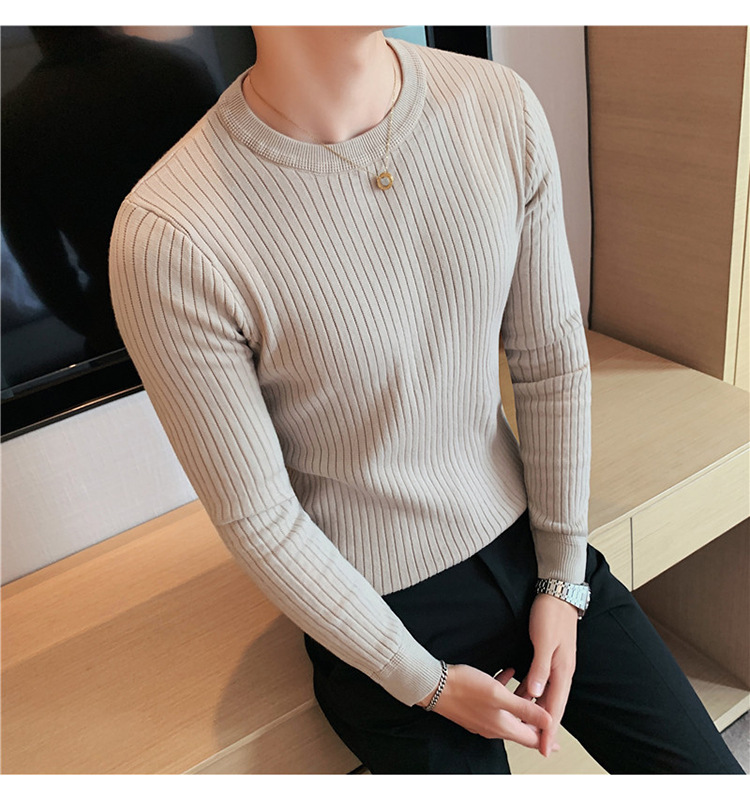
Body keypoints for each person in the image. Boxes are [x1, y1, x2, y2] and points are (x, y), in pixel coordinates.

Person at [108, 26, 745, 774]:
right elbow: (260, 517)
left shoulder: (498, 106)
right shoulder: (168, 235)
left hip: (534, 543)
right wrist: (425, 682)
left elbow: (550, 361)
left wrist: (563, 580)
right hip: (380, 610)